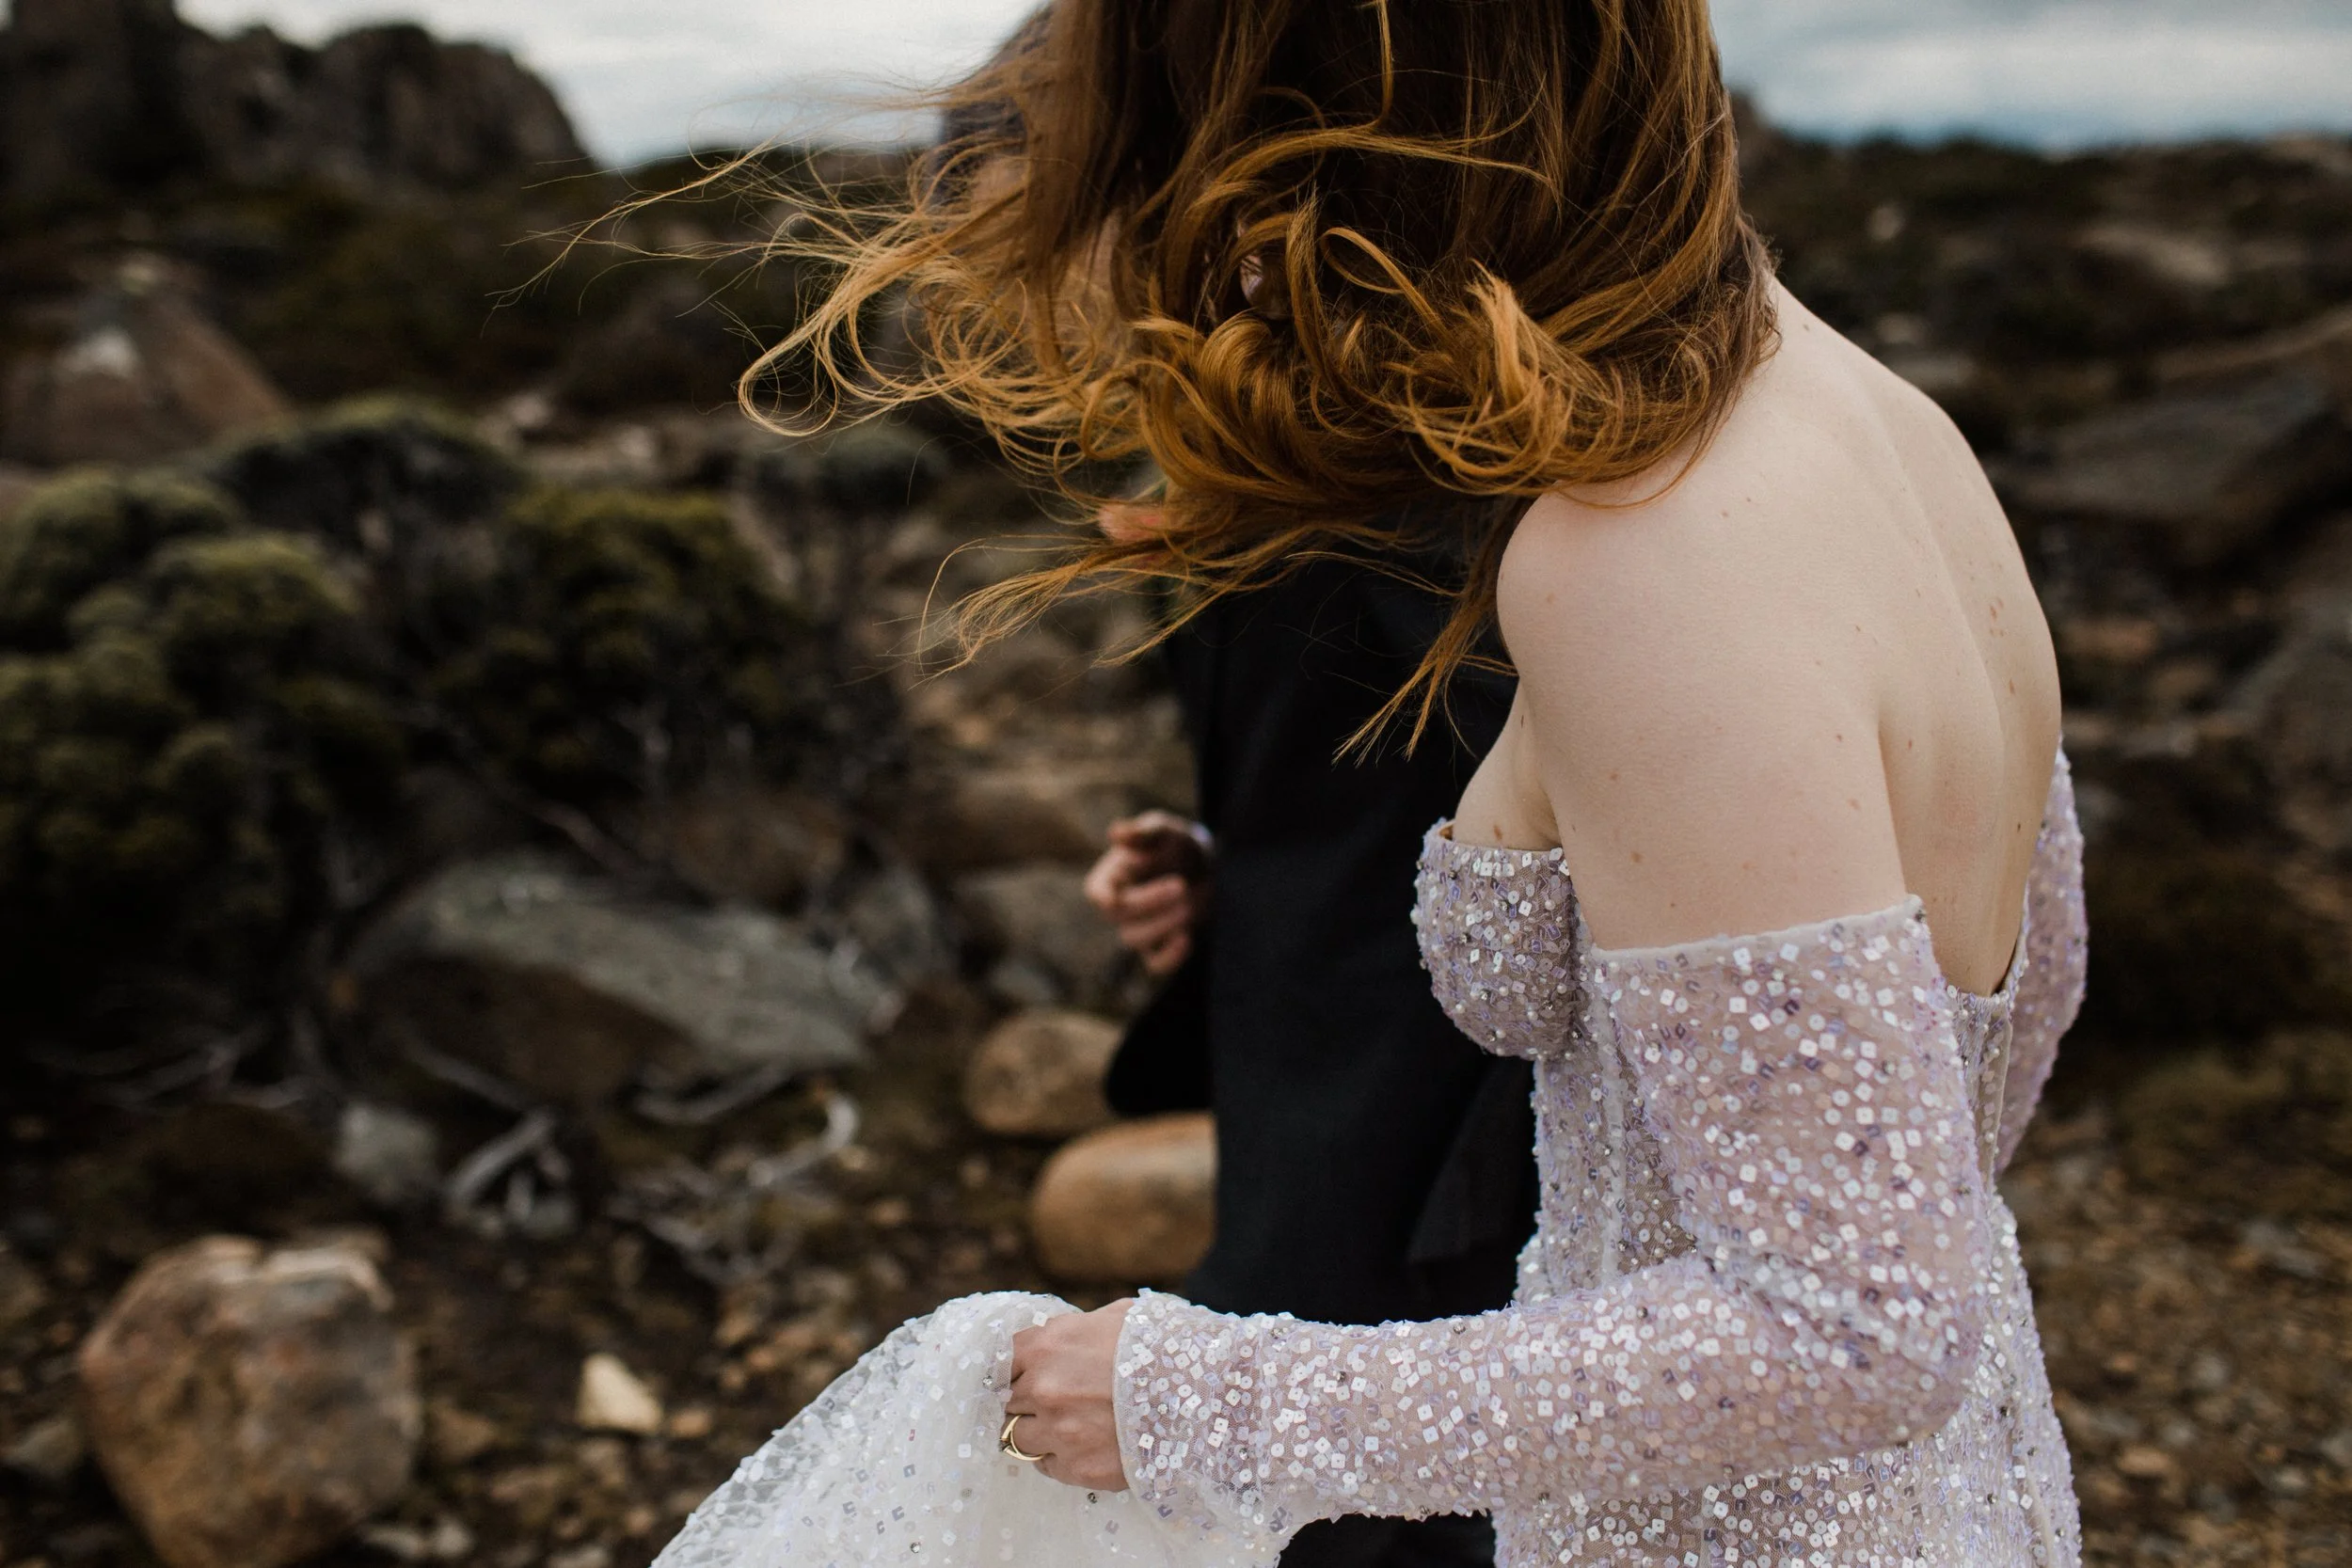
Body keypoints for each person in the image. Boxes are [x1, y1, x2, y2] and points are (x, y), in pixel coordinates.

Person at [664, 3, 2090, 1565]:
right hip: (1938, 1485)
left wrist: (1196, 1400)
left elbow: (1857, 1327)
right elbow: (1981, 1059)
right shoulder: (1872, 411)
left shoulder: (1637, 550)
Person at [1082, 530, 1543, 1568]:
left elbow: (1552, 770)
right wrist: (1216, 863)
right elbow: (1343, 761)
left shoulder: (1414, 510)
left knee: (1377, 1493)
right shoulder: (1237, 499)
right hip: (1284, 1058)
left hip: (1425, 1100)